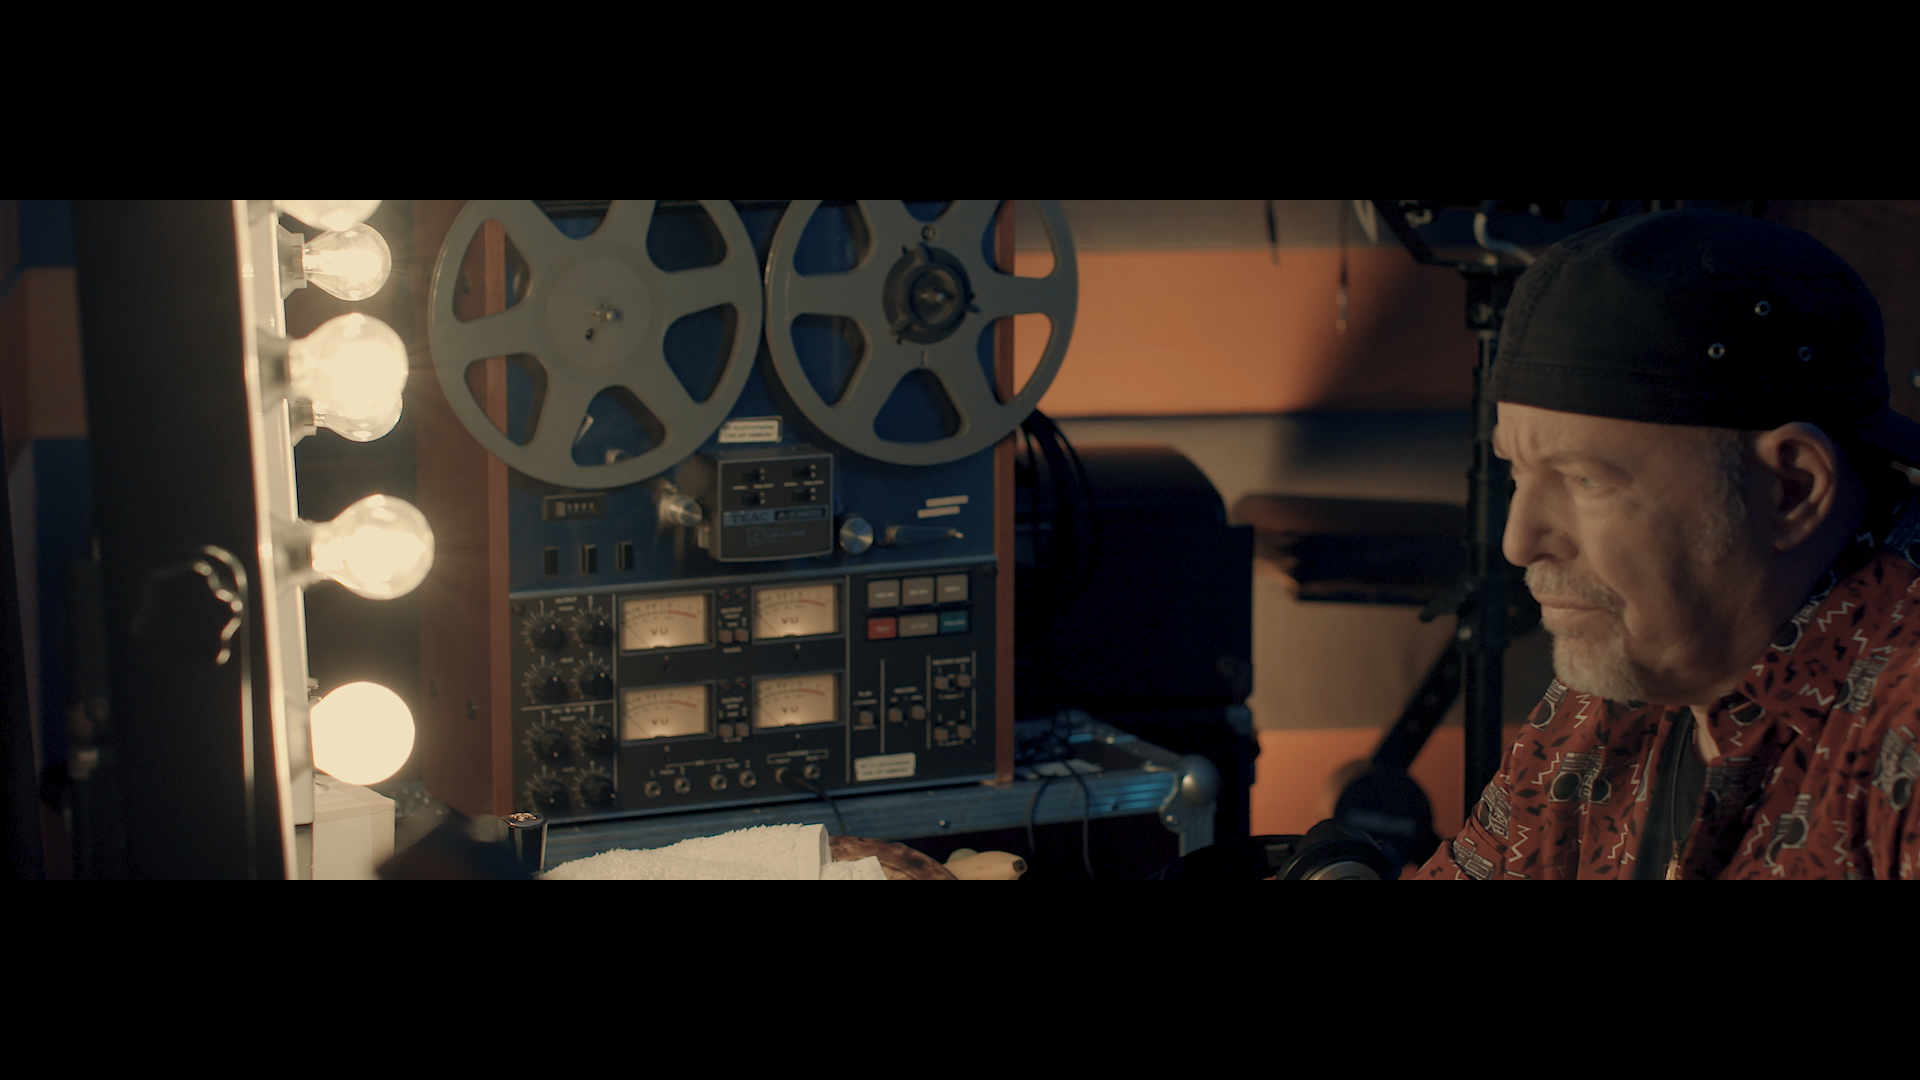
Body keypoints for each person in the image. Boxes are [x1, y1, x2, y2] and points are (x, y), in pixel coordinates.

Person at [1415, 208, 1920, 879]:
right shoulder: (1620, 680)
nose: (1519, 541)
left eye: (1584, 479)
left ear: (1790, 490)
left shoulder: (1906, 727)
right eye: (1517, 472)